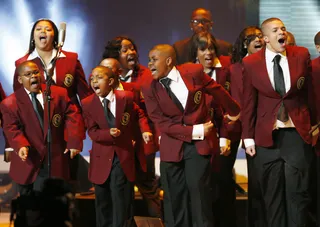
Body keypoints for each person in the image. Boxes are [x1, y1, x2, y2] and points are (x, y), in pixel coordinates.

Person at [142, 44, 240, 227]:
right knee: (174, 199)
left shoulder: (193, 71)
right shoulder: (148, 86)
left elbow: (215, 89)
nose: (149, 64)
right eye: (149, 60)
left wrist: (234, 110)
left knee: (200, 197)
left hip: (198, 148)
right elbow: (161, 123)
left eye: (154, 59)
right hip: (172, 148)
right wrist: (195, 131)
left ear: (169, 61)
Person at [242, 18, 318, 227]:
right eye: (275, 30)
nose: (281, 33)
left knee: (298, 196)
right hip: (267, 138)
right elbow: (248, 102)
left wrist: (315, 124)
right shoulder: (251, 63)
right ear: (265, 38)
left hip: (296, 134)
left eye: (283, 29)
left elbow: (310, 92)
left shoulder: (300, 55)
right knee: (272, 197)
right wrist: (247, 137)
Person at [12, 18, 92, 192]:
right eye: (39, 29)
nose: (43, 32)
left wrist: (80, 133)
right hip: (37, 128)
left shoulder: (70, 59)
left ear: (55, 34)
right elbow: (18, 105)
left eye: (48, 29)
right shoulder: (22, 63)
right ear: (33, 35)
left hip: (68, 126)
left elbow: (86, 97)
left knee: (63, 181)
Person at [81, 65, 153, 227]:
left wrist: (145, 131)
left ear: (111, 81)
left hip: (122, 157)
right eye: (92, 78)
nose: (94, 81)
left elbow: (139, 114)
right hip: (101, 160)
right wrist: (108, 133)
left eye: (99, 78)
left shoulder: (125, 98)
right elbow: (92, 132)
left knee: (121, 201)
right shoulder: (87, 103)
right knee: (103, 203)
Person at [0, 61, 85, 196]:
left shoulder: (58, 93)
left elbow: (73, 116)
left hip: (55, 161)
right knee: (30, 211)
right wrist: (21, 146)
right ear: (20, 79)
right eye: (28, 74)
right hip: (28, 164)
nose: (33, 76)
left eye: (35, 72)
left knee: (56, 206)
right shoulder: (10, 103)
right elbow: (11, 128)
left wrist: (74, 141)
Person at [102, 38, 162, 217]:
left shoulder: (147, 74)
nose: (132, 53)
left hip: (143, 143)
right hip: (117, 146)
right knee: (121, 191)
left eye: (133, 49)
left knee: (148, 188)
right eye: (125, 50)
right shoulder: (102, 77)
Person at [189, 31, 240, 227]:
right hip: (198, 138)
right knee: (202, 186)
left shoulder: (226, 71)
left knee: (223, 183)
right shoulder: (187, 73)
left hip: (225, 135)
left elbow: (230, 106)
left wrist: (225, 137)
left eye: (211, 48)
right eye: (203, 49)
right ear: (196, 52)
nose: (209, 53)